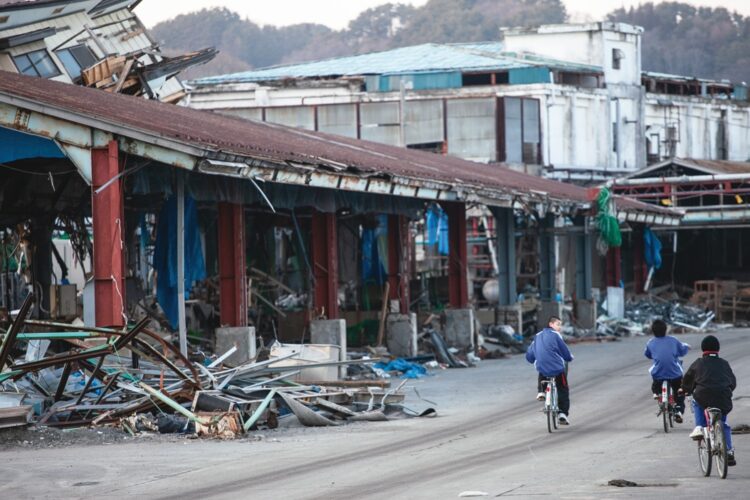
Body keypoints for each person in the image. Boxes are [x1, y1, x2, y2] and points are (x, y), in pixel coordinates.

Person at [681, 335, 737, 466]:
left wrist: (684, 390)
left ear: (703, 349)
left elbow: (688, 380)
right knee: (723, 423)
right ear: (718, 349)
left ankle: (700, 427)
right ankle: (728, 450)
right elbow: (732, 382)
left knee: (696, 400)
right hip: (723, 397)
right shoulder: (724, 363)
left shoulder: (698, 363)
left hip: (703, 396)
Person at [525, 316, 573, 425]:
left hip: (542, 367)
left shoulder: (537, 336)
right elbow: (564, 351)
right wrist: (569, 358)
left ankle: (541, 391)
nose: (560, 327)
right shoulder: (556, 335)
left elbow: (529, 356)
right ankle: (562, 413)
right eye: (558, 324)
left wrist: (532, 360)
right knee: (563, 388)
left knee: (542, 370)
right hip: (556, 368)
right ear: (550, 324)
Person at [644, 319, 690, 423]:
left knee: (655, 379)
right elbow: (682, 350)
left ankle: (656, 392)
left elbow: (647, 354)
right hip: (674, 374)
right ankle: (678, 410)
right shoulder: (673, 340)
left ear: (653, 331)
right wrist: (687, 346)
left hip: (659, 374)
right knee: (679, 390)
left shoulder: (650, 343)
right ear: (666, 329)